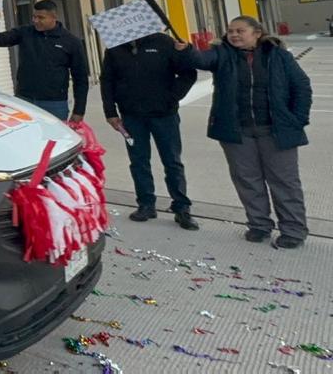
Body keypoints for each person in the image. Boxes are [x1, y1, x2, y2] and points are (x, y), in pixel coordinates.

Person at [176, 16, 312, 249]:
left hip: (276, 131)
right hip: (238, 132)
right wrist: (187, 50)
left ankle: (293, 230)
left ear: (257, 33)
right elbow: (199, 59)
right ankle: (259, 225)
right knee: (247, 180)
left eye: (240, 30)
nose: (234, 35)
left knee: (284, 182)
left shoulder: (279, 56)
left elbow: (301, 87)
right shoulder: (221, 54)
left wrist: (297, 120)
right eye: (231, 31)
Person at [101, 33, 199, 229]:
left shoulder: (163, 42)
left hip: (164, 115)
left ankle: (182, 207)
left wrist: (172, 96)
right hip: (131, 116)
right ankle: (146, 204)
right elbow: (107, 81)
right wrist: (110, 112)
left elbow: (188, 73)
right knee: (138, 161)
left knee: (172, 161)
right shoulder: (114, 47)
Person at [0, 0, 89, 121]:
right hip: (24, 99)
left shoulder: (71, 42)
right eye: (34, 17)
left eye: (41, 18)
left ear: (54, 17)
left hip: (54, 104)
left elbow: (81, 79)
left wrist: (79, 111)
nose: (35, 20)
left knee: (54, 134)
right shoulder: (25, 32)